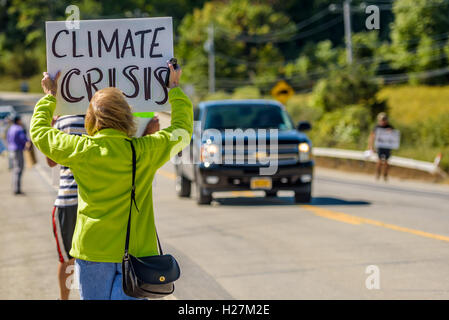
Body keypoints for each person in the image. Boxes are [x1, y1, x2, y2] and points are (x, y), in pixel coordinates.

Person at [30, 63, 192, 300]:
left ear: (91, 118)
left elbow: (40, 132)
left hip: (92, 249)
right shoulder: (144, 151)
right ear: (127, 116)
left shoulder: (81, 149)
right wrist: (174, 89)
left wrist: (50, 96)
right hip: (137, 253)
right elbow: (183, 130)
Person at [46, 114, 86, 300]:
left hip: (68, 201)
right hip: (96, 200)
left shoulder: (63, 120)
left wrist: (53, 129)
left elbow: (51, 161)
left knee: (67, 259)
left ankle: (64, 299)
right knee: (96, 260)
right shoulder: (104, 116)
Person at [6, 115, 30, 195]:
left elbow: (8, 138)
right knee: (19, 169)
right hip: (18, 150)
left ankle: (14, 187)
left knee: (14, 169)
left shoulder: (11, 128)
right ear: (18, 120)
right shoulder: (19, 129)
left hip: (11, 150)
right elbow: (23, 139)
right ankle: (17, 189)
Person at [368, 112, 394, 181]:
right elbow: (372, 137)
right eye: (382, 119)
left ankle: (385, 174)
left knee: (386, 162)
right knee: (379, 161)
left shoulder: (390, 127)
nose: (383, 121)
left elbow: (394, 138)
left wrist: (391, 132)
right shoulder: (376, 127)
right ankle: (378, 173)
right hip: (379, 146)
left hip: (387, 147)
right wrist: (371, 146)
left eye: (384, 119)